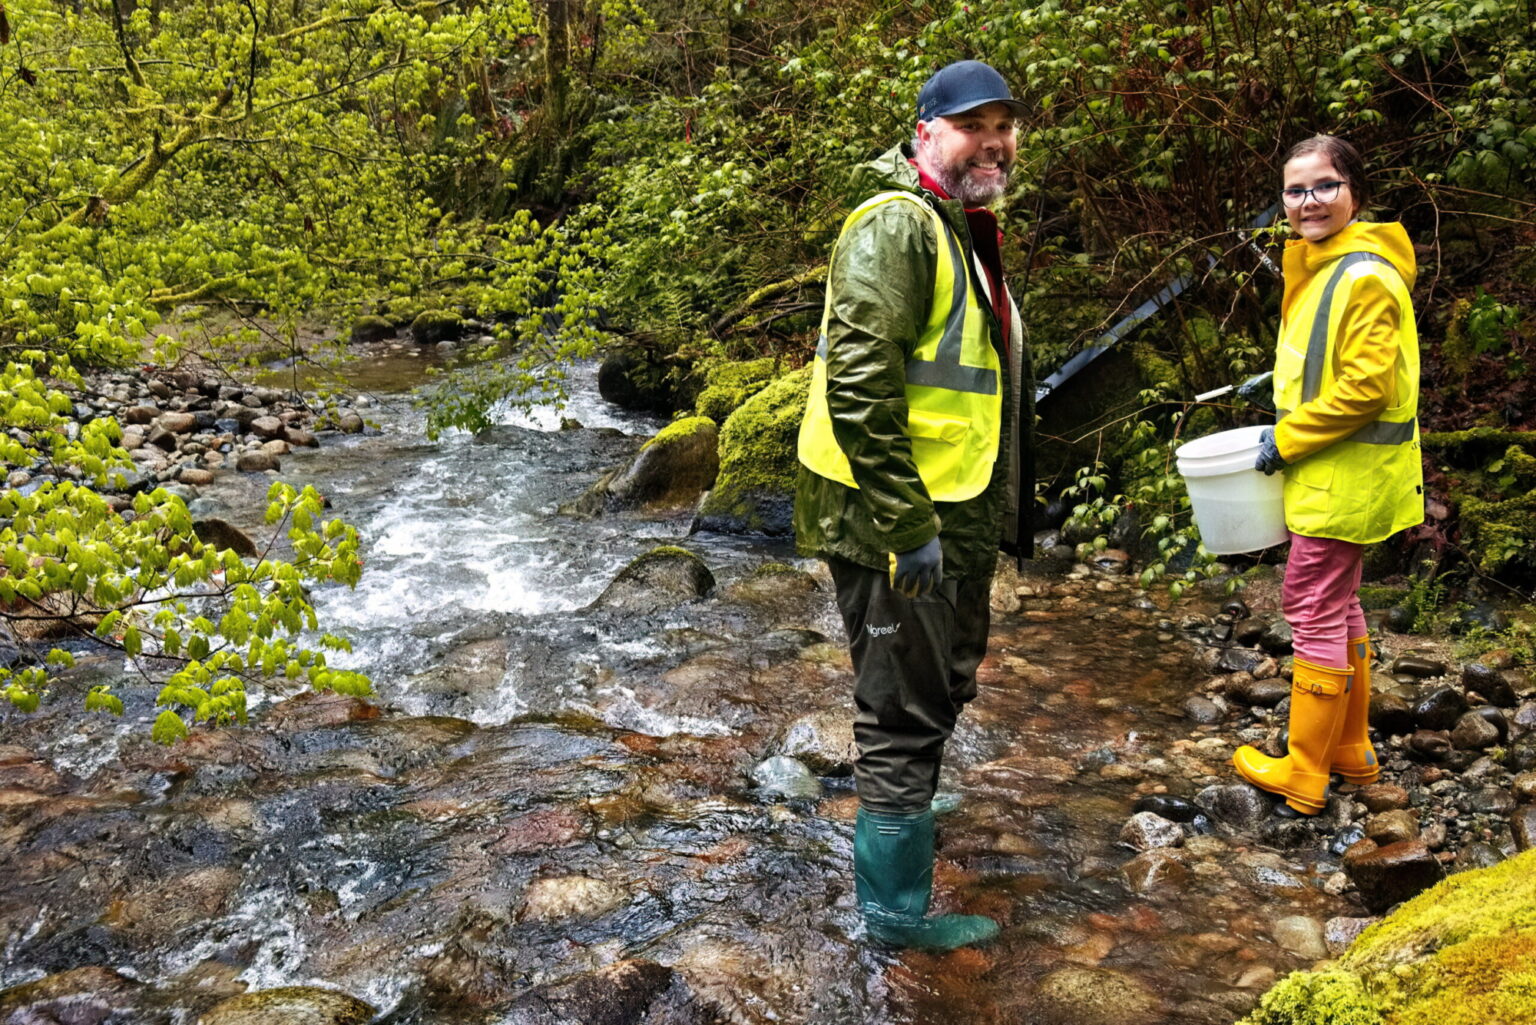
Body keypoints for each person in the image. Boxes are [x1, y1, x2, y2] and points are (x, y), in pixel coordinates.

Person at [793, 59, 1034, 950]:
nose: (995, 142)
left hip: (949, 512)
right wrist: (910, 527)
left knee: (943, 679)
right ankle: (893, 921)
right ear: (926, 132)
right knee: (898, 712)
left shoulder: (958, 227)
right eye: (975, 125)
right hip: (897, 519)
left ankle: (912, 804)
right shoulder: (896, 226)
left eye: (1005, 126)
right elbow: (859, 386)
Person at [1232, 135, 1423, 815]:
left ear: (1355, 192)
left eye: (1323, 186)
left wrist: (1285, 438)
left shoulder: (1361, 274)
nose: (1307, 202)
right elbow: (1327, 363)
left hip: (1343, 472)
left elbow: (1365, 388)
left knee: (1310, 605)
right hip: (1341, 470)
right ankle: (1351, 748)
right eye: (1294, 190)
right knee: (1340, 604)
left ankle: (1305, 770)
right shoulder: (1326, 263)